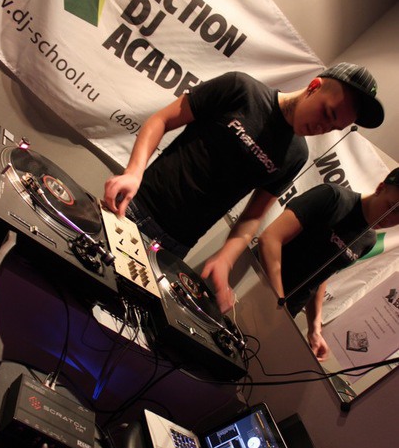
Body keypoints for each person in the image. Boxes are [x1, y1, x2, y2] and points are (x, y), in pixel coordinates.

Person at [103, 62, 384, 313]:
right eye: (327, 113)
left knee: (120, 312)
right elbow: (161, 120)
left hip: (177, 245)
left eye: (334, 126)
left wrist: (226, 258)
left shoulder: (296, 155)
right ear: (314, 87)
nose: (323, 127)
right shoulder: (240, 88)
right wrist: (133, 172)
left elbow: (252, 217)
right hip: (134, 208)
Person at [257, 168, 399, 361]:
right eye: (392, 208)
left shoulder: (369, 240)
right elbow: (270, 239)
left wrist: (315, 328)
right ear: (380, 188)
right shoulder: (333, 197)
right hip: (254, 286)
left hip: (284, 314)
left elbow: (322, 275)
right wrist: (277, 300)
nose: (390, 220)